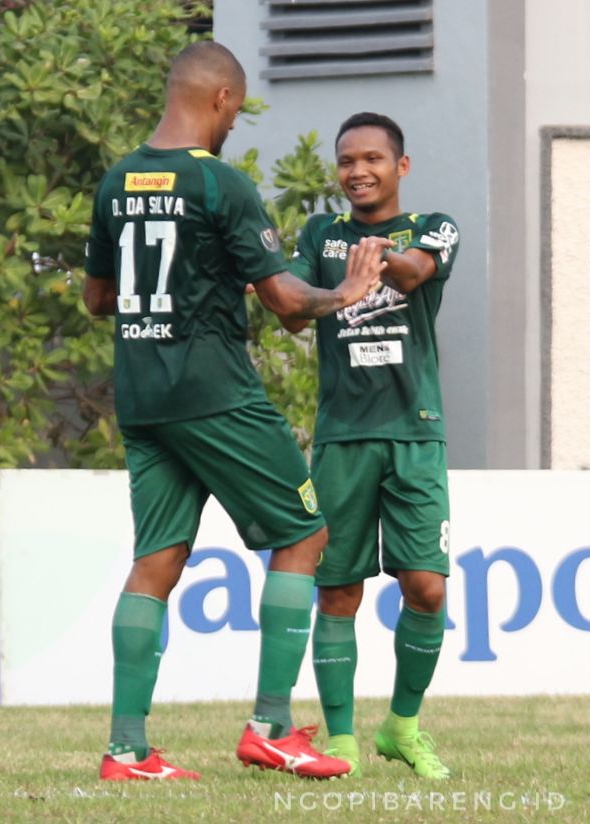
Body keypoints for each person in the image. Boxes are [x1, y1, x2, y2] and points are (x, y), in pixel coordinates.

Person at [83, 42, 382, 782]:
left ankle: (127, 749)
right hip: (214, 393)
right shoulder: (222, 184)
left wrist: (194, 285)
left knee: (157, 560)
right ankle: (271, 728)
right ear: (220, 100)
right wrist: (342, 293)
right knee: (305, 534)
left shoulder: (117, 180)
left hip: (143, 396)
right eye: (237, 113)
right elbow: (286, 302)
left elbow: (97, 299)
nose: (234, 128)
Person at [282, 112, 457, 780]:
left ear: (400, 167)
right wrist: (335, 293)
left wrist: (376, 262)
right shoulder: (321, 236)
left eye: (373, 160)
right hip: (342, 437)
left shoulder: (433, 227)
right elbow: (290, 304)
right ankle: (343, 738)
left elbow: (414, 272)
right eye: (347, 161)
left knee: (427, 588)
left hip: (416, 431)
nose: (358, 171)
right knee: (338, 593)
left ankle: (403, 727)